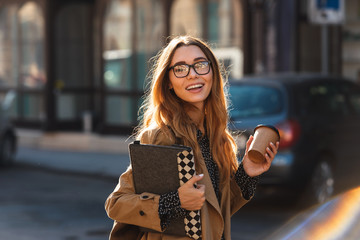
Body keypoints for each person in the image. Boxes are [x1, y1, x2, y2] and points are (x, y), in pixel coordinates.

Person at [105, 35, 279, 240]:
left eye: (200, 65)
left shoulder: (218, 139)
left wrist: (247, 172)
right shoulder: (163, 136)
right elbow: (116, 203)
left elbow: (213, 216)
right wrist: (175, 201)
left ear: (212, 72)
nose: (193, 75)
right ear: (168, 82)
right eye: (180, 69)